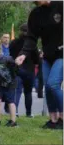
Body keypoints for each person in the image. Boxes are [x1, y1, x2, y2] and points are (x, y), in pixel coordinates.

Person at [15, 1, 63, 129]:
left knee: (53, 84)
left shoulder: (60, 5)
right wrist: (23, 54)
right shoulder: (36, 14)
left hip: (62, 54)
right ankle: (53, 120)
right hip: (47, 56)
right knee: (47, 88)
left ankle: (62, 118)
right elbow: (31, 38)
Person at [9, 23, 39, 117]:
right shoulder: (32, 44)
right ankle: (28, 113)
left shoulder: (13, 43)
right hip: (29, 70)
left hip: (17, 69)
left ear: (20, 31)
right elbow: (36, 59)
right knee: (28, 92)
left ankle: (15, 111)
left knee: (17, 90)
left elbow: (11, 55)